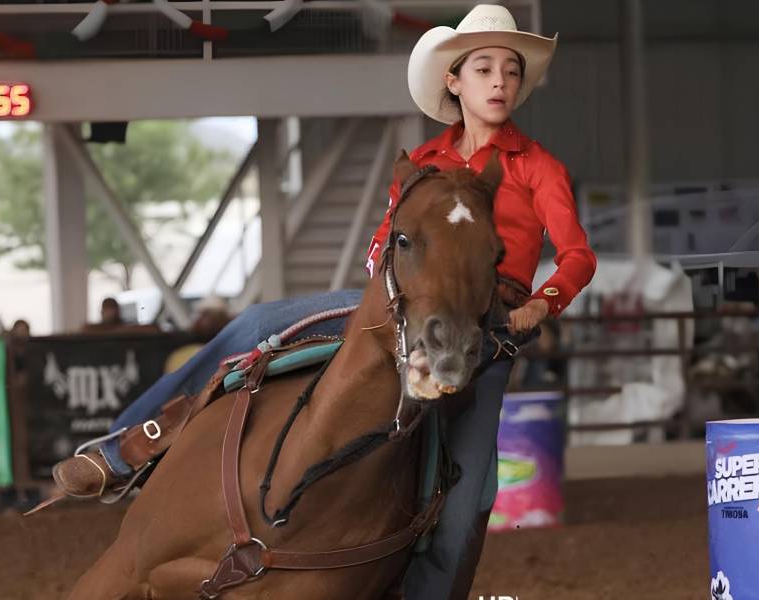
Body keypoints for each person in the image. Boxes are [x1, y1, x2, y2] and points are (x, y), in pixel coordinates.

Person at [50, 5, 595, 598]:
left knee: (470, 498)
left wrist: (541, 303)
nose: (499, 82)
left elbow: (577, 256)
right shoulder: (423, 165)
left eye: (511, 72)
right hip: (401, 300)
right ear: (453, 80)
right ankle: (130, 445)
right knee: (260, 321)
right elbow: (384, 242)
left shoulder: (537, 167)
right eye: (484, 68)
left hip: (485, 326)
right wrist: (380, 284)